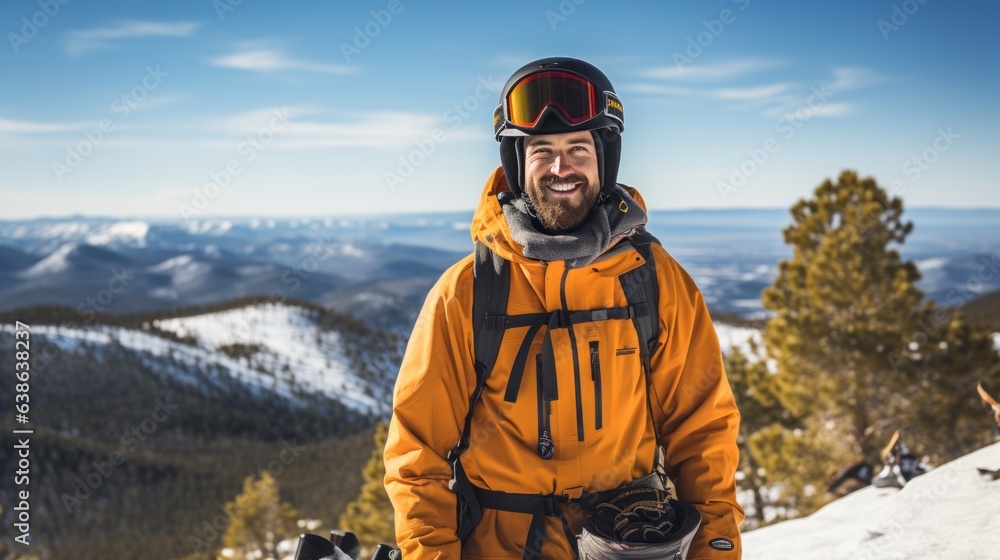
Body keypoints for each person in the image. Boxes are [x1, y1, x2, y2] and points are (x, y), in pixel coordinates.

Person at [384, 57, 744, 559]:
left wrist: (717, 548)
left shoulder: (654, 281)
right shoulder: (467, 292)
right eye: (542, 151)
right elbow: (417, 456)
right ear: (517, 161)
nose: (561, 167)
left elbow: (702, 431)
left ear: (603, 160)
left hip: (631, 539)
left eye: (578, 148)